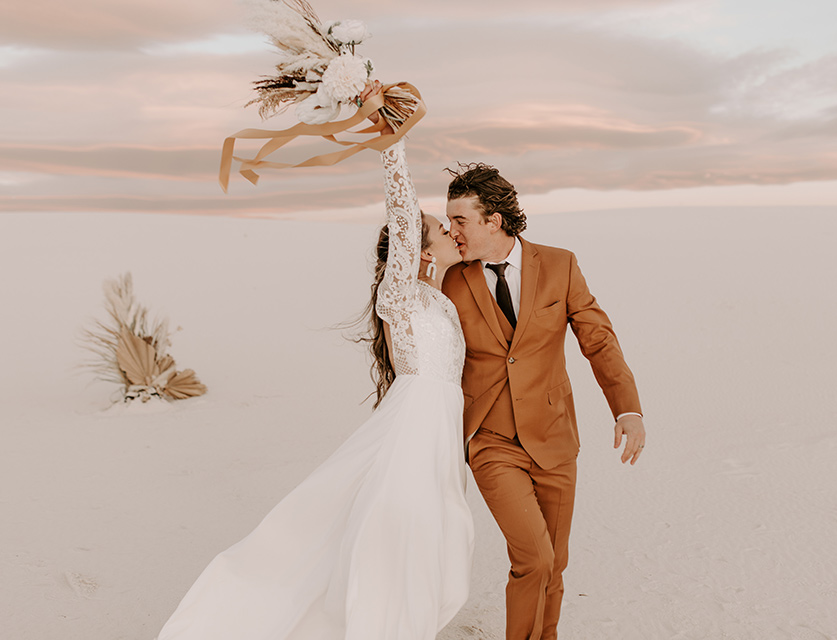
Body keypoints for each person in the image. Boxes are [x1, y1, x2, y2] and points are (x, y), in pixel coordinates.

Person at [156, 86, 473, 639]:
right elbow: (403, 218)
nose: (449, 232)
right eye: (441, 229)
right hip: (412, 430)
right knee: (394, 529)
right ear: (418, 250)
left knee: (437, 536)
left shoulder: (444, 302)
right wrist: (389, 140)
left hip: (442, 433)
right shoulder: (399, 298)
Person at [441, 164, 646, 640]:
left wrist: (628, 409)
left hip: (554, 437)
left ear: (494, 220)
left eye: (460, 220)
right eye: (448, 221)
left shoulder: (559, 264)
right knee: (533, 557)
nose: (452, 230)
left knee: (555, 563)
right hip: (490, 440)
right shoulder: (451, 279)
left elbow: (599, 340)